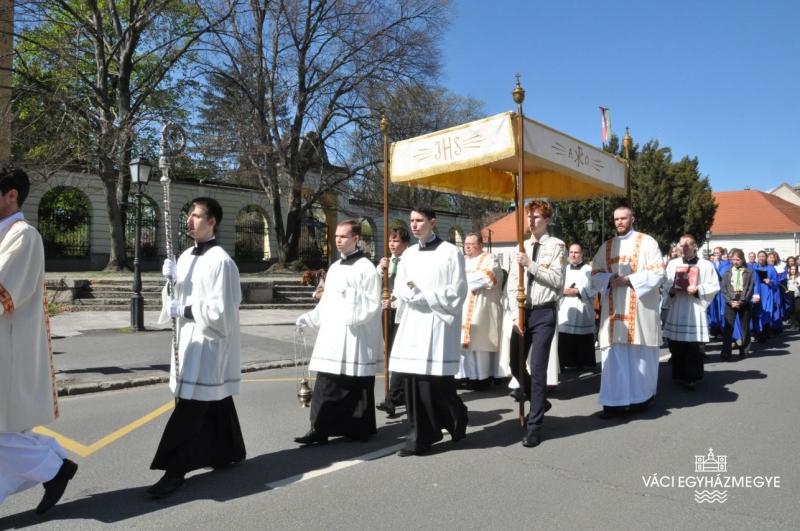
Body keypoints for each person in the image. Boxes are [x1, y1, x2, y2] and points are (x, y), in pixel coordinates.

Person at [150, 197, 246, 498]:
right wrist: (169, 281)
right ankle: (229, 450)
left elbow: (223, 313)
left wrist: (185, 309)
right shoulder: (185, 257)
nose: (189, 220)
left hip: (207, 345)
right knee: (212, 402)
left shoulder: (222, 262)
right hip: (186, 341)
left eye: (196, 215)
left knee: (191, 408)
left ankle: (174, 472)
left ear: (212, 221)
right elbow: (173, 300)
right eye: (188, 214)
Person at [0, 163, 78, 515]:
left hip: (8, 351)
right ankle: (54, 463)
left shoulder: (23, 235)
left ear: (11, 195)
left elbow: (3, 290)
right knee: (6, 435)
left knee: (4, 434)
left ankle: (54, 466)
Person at [389, 205, 469, 457]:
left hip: (436, 324)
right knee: (414, 384)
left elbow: (459, 288)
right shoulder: (409, 254)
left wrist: (430, 297)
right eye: (412, 220)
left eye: (419, 220)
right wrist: (405, 293)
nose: (414, 225)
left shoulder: (450, 252)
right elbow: (399, 283)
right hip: (413, 323)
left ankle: (456, 417)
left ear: (432, 222)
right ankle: (419, 439)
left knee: (435, 385)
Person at [294, 220, 382, 445]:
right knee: (325, 381)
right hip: (333, 334)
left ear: (356, 239)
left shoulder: (366, 268)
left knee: (354, 383)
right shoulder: (334, 267)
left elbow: (373, 304)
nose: (338, 240)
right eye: (336, 236)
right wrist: (310, 317)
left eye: (343, 236)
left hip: (354, 334)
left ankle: (357, 427)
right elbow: (327, 301)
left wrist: (351, 296)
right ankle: (318, 429)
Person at [591, 206, 666, 419]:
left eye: (624, 218)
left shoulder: (647, 242)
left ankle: (640, 400)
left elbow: (659, 273)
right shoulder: (606, 246)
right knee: (613, 358)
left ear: (632, 219)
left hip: (640, 312)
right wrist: (608, 279)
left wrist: (629, 280)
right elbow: (594, 273)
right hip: (613, 314)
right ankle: (613, 403)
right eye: (616, 219)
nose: (619, 222)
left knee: (638, 357)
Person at [506, 200, 565, 448]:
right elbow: (512, 283)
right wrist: (514, 314)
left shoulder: (557, 246)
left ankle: (534, 426)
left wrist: (529, 264)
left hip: (543, 312)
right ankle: (539, 400)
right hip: (522, 312)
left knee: (539, 369)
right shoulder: (521, 247)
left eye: (536, 217)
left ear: (547, 220)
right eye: (529, 216)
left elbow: (556, 279)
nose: (531, 220)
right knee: (515, 364)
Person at [662, 235, 719, 389]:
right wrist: (671, 291)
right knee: (676, 343)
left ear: (695, 246)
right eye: (681, 246)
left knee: (693, 345)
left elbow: (714, 285)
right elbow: (666, 284)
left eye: (687, 245)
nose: (683, 248)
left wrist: (698, 289)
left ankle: (692, 377)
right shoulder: (673, 264)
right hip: (678, 305)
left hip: (695, 307)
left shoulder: (705, 265)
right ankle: (679, 374)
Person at [457, 232, 505, 390]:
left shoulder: (490, 259)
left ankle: (482, 377)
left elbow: (487, 278)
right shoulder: (461, 260)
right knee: (462, 344)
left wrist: (461, 281)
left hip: (482, 309)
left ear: (480, 245)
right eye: (466, 244)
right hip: (463, 308)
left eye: (471, 244)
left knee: (479, 343)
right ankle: (463, 376)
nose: (468, 247)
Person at [375, 227, 410, 416]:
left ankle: (392, 397)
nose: (391, 244)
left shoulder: (410, 261)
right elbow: (374, 284)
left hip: (402, 312)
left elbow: (411, 288)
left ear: (405, 244)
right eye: (390, 240)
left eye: (395, 241)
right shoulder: (386, 262)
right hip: (386, 312)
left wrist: (394, 302)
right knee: (390, 352)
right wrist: (379, 269)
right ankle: (400, 394)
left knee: (398, 354)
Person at [557, 243, 597, 371]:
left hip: (582, 308)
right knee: (564, 336)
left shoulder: (589, 270)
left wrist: (578, 291)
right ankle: (563, 363)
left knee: (581, 337)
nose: (573, 255)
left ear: (582, 254)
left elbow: (594, 289)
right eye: (571, 252)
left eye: (576, 252)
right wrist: (563, 291)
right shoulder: (563, 269)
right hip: (565, 308)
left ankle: (581, 363)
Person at [720, 249, 755, 360]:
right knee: (728, 326)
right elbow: (724, 288)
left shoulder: (749, 272)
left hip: (743, 300)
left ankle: (744, 350)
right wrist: (731, 302)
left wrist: (742, 301)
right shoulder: (727, 272)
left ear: (742, 259)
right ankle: (726, 351)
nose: (735, 262)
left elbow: (750, 289)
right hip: (731, 300)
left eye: (738, 260)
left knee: (745, 327)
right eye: (733, 260)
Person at [749, 251, 779, 343]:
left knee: (765, 312)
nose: (761, 258)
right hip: (755, 292)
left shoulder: (771, 268)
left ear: (766, 258)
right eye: (760, 256)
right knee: (755, 313)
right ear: (757, 257)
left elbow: (776, 281)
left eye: (763, 256)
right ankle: (757, 332)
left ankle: (764, 331)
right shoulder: (753, 267)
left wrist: (770, 282)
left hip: (766, 292)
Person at [707, 246, 732, 339]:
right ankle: (715, 329)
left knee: (722, 310)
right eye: (715, 253)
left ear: (722, 254)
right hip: (713, 290)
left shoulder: (727, 264)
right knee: (713, 310)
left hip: (723, 290)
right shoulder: (711, 264)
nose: (716, 255)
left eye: (718, 253)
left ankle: (723, 330)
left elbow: (724, 276)